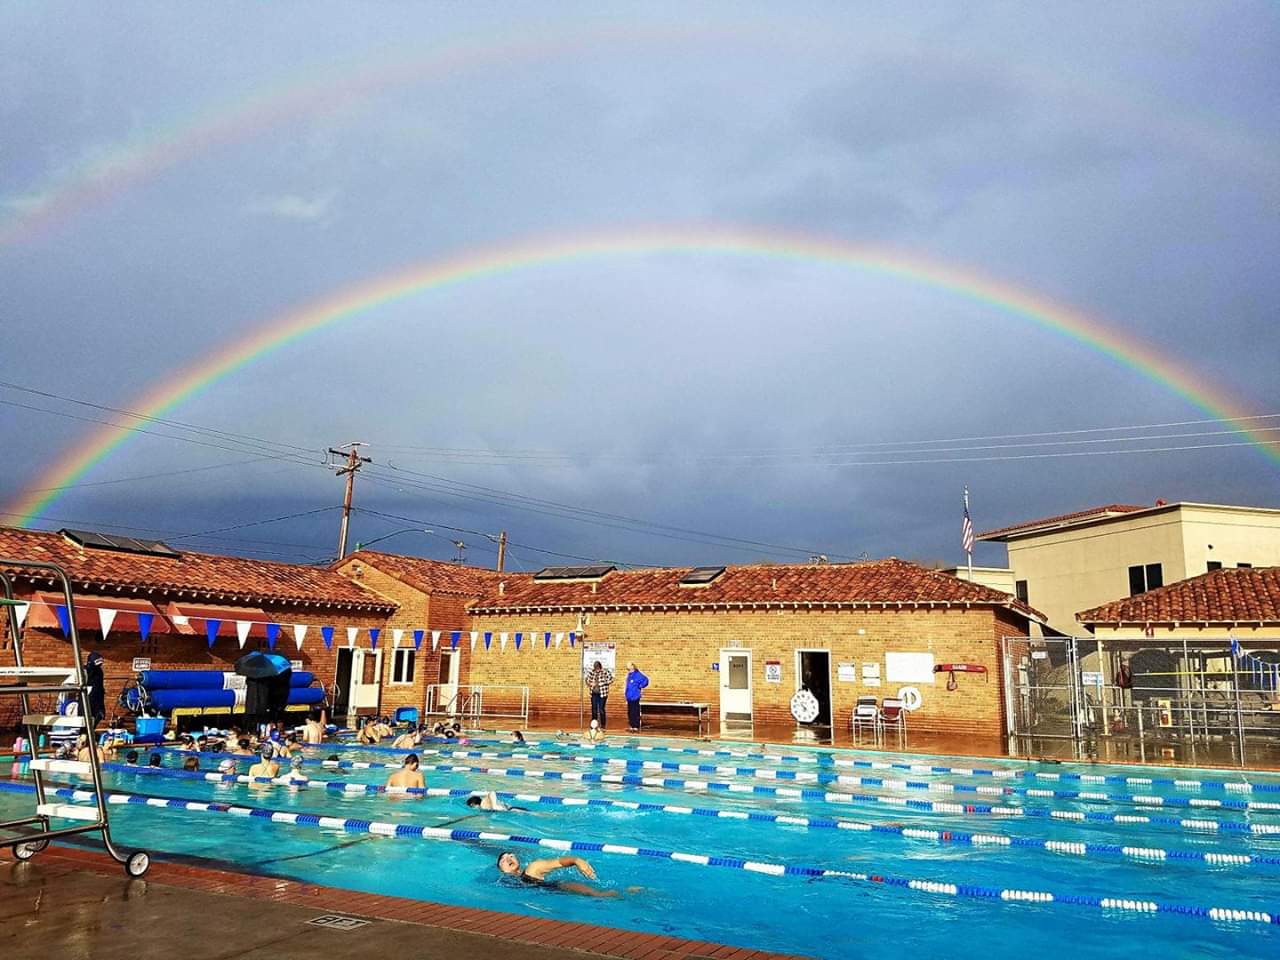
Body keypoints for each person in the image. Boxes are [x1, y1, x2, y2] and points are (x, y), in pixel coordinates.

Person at [496, 852, 618, 898]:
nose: (508, 858)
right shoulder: (501, 881)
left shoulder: (532, 869)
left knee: (601, 895)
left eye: (511, 856)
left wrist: (576, 860)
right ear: (499, 868)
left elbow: (557, 862)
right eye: (503, 859)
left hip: (555, 890)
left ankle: (621, 893)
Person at [586, 660, 614, 729]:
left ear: (600, 667)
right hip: (594, 693)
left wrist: (604, 682)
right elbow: (587, 680)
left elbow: (611, 679)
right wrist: (590, 683)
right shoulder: (592, 672)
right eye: (596, 668)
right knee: (594, 709)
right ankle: (593, 725)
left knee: (601, 709)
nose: (597, 670)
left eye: (598, 668)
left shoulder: (605, 672)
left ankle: (603, 725)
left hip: (602, 694)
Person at [624, 662, 649, 732]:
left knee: (635, 711)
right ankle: (631, 725)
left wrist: (640, 686)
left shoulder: (638, 674)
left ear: (632, 666)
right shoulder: (629, 675)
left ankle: (636, 726)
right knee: (630, 712)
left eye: (629, 666)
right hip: (629, 696)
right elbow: (627, 685)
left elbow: (646, 680)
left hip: (635, 696)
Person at [84, 651, 106, 729]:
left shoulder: (99, 671)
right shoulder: (87, 670)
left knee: (98, 715)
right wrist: (91, 665)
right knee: (87, 715)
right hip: (89, 696)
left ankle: (91, 731)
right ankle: (86, 733)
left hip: (98, 695)